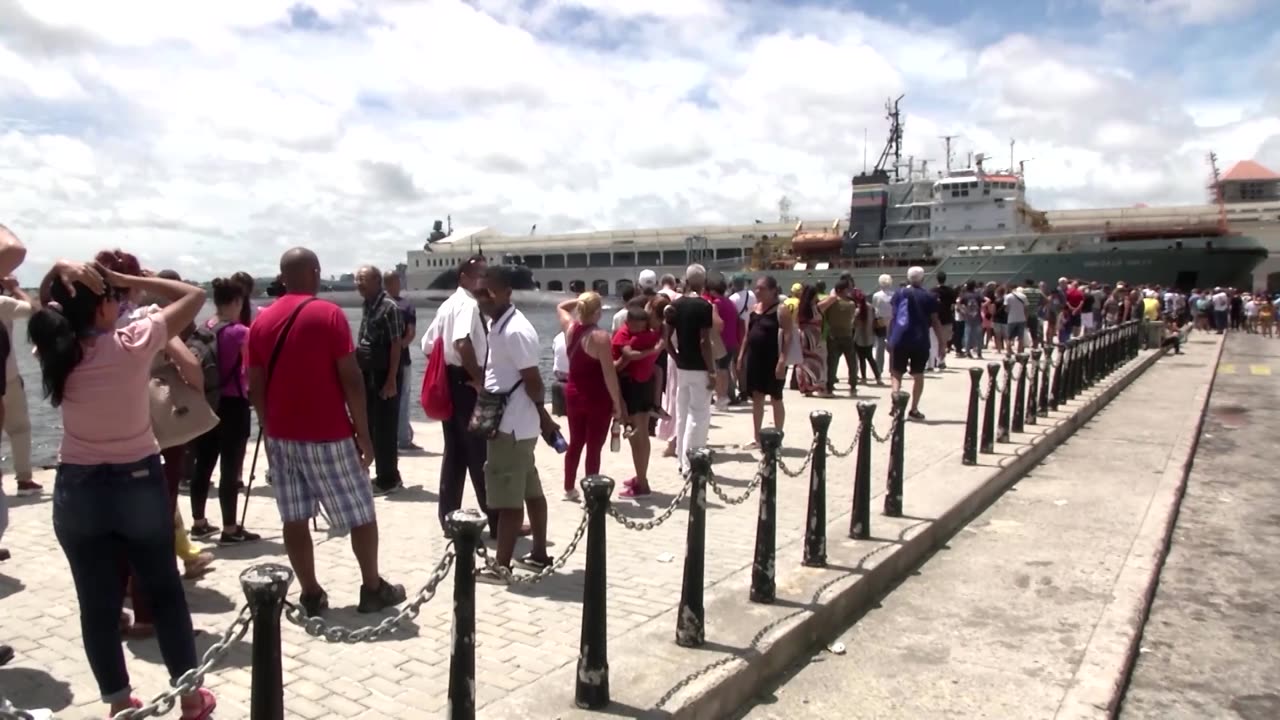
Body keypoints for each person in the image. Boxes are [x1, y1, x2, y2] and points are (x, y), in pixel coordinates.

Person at [28, 260, 217, 718]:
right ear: (100, 311)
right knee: (165, 592)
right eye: (112, 298)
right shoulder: (133, 342)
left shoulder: (56, 349)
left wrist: (58, 270)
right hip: (136, 480)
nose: (121, 302)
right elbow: (192, 295)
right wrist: (134, 282)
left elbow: (44, 308)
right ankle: (190, 699)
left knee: (97, 603)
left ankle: (117, 703)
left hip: (79, 487)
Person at [247, 248, 405, 618]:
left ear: (283, 276)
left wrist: (268, 428)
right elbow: (351, 379)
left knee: (294, 517)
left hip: (281, 435)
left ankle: (312, 594)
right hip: (328, 432)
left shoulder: (261, 322)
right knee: (361, 512)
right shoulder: (329, 314)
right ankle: (371, 587)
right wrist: (363, 435)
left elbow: (255, 384)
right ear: (315, 273)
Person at [474, 265, 553, 576]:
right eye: (478, 292)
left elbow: (533, 380)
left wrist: (545, 417)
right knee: (531, 490)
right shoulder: (499, 324)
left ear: (507, 292)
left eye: (489, 291)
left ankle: (502, 565)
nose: (482, 298)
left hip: (512, 426)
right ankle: (539, 554)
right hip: (514, 424)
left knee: (508, 500)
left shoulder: (515, 330)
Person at [422, 256, 499, 536]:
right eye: (480, 274)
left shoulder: (447, 305)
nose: (485, 280)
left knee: (455, 453)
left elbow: (427, 345)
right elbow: (462, 342)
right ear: (465, 277)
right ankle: (498, 519)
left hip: (453, 381)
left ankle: (448, 517)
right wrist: (478, 379)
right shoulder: (467, 305)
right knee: (479, 453)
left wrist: (451, 367)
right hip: (468, 384)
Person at [189, 278, 260, 544]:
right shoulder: (242, 332)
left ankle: (199, 523)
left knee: (203, 463)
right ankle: (230, 528)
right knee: (230, 467)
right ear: (236, 302)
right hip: (233, 403)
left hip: (206, 402)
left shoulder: (201, 328)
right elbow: (250, 370)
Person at [556, 292, 625, 501]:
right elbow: (609, 374)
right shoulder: (600, 337)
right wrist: (617, 403)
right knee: (594, 445)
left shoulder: (570, 329)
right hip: (597, 396)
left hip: (574, 393)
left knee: (576, 442)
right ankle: (591, 490)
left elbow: (560, 307)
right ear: (596, 312)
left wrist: (579, 301)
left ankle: (568, 487)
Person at [355, 266, 404, 494]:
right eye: (356, 279)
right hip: (368, 372)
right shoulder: (368, 305)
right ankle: (382, 473)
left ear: (376, 280)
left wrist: (392, 379)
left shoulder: (389, 307)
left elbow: (396, 345)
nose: (358, 283)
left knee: (385, 427)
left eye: (362, 279)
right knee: (372, 424)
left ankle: (389, 478)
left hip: (385, 373)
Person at [666, 265, 718, 473]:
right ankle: (691, 462)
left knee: (682, 413)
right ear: (703, 281)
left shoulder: (676, 305)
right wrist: (712, 370)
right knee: (699, 415)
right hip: (699, 367)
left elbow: (666, 337)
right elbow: (705, 341)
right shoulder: (705, 306)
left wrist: (676, 357)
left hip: (683, 366)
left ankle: (681, 460)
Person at [612, 304, 664, 497]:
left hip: (632, 386)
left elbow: (629, 355)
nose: (640, 331)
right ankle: (641, 477)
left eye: (643, 327)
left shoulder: (626, 335)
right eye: (637, 327)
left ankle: (642, 483)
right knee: (641, 434)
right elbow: (628, 353)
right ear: (628, 323)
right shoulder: (629, 335)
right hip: (643, 384)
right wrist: (654, 349)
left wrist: (650, 350)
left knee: (637, 437)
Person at [737, 275, 789, 448]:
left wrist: (782, 359)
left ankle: (777, 437)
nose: (757, 291)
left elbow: (788, 336)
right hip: (755, 359)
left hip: (773, 359)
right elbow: (747, 335)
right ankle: (757, 437)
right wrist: (741, 356)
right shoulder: (753, 309)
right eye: (756, 288)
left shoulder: (781, 310)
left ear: (773, 290)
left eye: (762, 288)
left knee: (776, 398)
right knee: (757, 398)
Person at [887, 266, 944, 421]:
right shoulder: (929, 296)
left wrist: (890, 337)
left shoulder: (899, 294)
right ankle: (913, 409)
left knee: (897, 373)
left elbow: (893, 317)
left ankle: (896, 404)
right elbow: (935, 321)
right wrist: (941, 342)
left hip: (900, 337)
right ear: (922, 278)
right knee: (918, 375)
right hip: (920, 339)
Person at [0, 276, 36, 496]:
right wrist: (15, 289)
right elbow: (34, 309)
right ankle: (24, 481)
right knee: (19, 430)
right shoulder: (3, 303)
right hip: (8, 377)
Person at [384, 271, 419, 450]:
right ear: (397, 282)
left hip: (381, 361)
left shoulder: (378, 305)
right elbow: (410, 334)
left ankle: (387, 437)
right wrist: (399, 348)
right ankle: (403, 439)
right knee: (403, 398)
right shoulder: (406, 306)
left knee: (385, 399)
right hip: (402, 360)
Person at [819, 280, 856, 395]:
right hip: (847, 335)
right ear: (842, 290)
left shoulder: (831, 303)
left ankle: (830, 386)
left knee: (832, 362)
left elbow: (822, 312)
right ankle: (853, 385)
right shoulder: (851, 304)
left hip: (833, 335)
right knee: (852, 362)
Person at [792, 285, 826, 395]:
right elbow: (833, 298)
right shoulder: (816, 307)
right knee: (818, 362)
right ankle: (819, 387)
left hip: (803, 335)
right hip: (814, 337)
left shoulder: (800, 308)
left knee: (804, 363)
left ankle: (807, 387)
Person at [727, 274, 755, 403]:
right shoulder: (752, 295)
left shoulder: (732, 299)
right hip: (753, 329)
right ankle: (751, 388)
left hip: (739, 333)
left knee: (738, 364)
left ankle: (743, 390)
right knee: (749, 362)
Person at [851, 288, 882, 385]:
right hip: (870, 337)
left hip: (859, 337)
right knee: (870, 358)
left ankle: (864, 377)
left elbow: (853, 324)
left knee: (861, 359)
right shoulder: (871, 308)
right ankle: (878, 377)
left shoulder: (857, 311)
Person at [932, 272, 957, 370]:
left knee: (935, 341)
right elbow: (952, 306)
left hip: (935, 319)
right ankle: (942, 360)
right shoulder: (951, 291)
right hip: (947, 318)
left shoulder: (933, 291)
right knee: (944, 341)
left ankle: (934, 359)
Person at [871, 274, 893, 370]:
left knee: (880, 347)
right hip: (892, 322)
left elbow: (874, 309)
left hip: (880, 322)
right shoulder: (894, 294)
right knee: (893, 346)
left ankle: (879, 369)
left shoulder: (876, 295)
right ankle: (893, 368)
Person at [959, 280, 983, 359]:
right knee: (979, 335)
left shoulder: (964, 295)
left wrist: (962, 311)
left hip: (968, 317)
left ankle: (968, 352)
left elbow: (958, 303)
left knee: (967, 335)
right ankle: (979, 352)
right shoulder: (978, 295)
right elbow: (983, 302)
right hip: (977, 316)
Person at [1004, 282, 1028, 355]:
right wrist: (1026, 318)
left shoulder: (1008, 296)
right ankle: (1019, 352)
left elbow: (1006, 309)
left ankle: (1009, 351)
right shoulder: (1024, 296)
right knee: (1020, 337)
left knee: (1009, 337)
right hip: (1021, 319)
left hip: (1011, 319)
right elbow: (1026, 308)